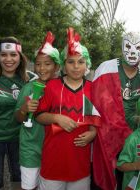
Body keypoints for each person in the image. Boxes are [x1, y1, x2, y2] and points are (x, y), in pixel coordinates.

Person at [35, 27, 100, 190]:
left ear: (87, 64)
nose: (76, 66)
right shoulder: (51, 86)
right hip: (52, 164)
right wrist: (56, 118)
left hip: (80, 167)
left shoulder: (93, 89)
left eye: (81, 62)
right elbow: (39, 115)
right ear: (63, 64)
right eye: (71, 61)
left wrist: (93, 133)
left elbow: (96, 119)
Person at [91, 31, 140, 190]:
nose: (132, 52)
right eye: (128, 46)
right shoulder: (106, 67)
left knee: (126, 179)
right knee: (102, 177)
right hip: (106, 136)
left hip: (130, 138)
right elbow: (94, 101)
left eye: (138, 48)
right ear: (122, 46)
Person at [15, 32, 60, 190]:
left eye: (47, 64)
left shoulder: (61, 89)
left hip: (53, 149)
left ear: (56, 66)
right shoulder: (28, 88)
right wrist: (23, 109)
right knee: (29, 187)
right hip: (30, 149)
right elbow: (18, 118)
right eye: (38, 64)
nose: (42, 68)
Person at [0, 36, 29, 190]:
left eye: (13, 54)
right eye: (3, 54)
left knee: (19, 177)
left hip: (19, 138)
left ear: (20, 57)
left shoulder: (28, 80)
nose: (8, 59)